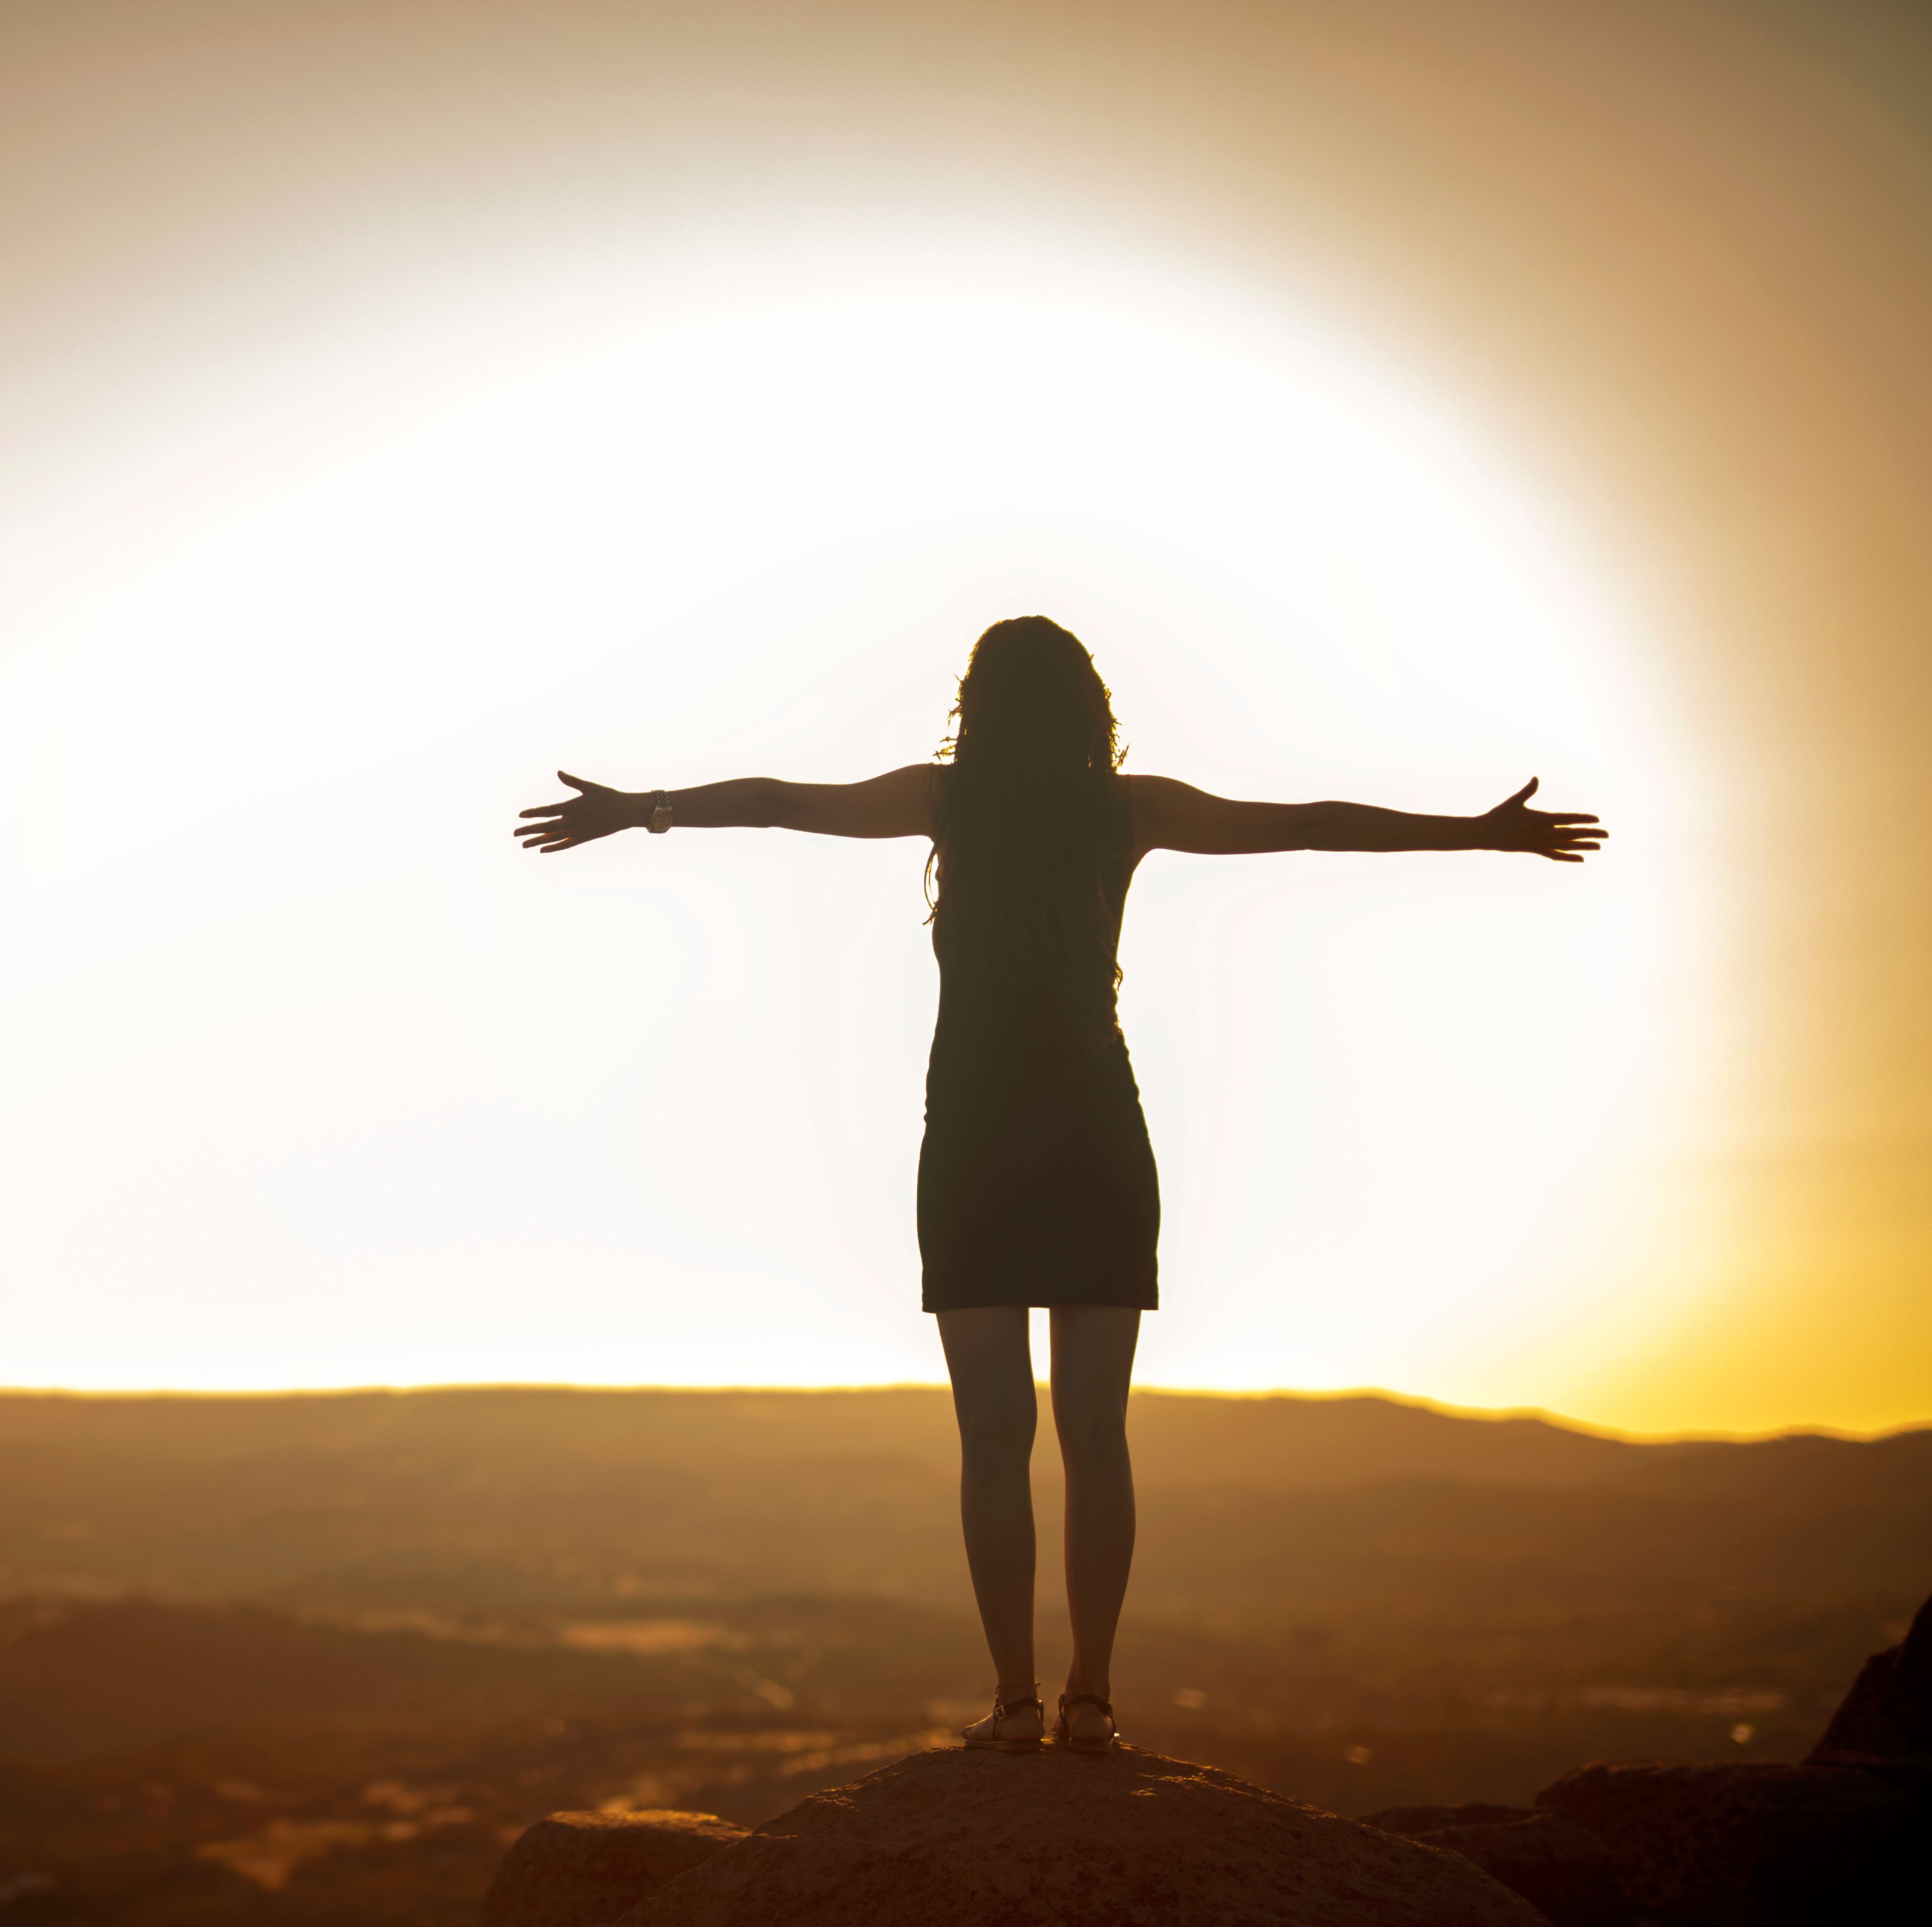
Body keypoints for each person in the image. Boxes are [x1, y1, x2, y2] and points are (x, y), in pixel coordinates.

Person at [513, 615, 1605, 1754]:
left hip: (980, 1137)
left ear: (976, 706)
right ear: (1091, 708)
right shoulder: (1126, 812)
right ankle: (1091, 1702)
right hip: (1091, 1128)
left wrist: (645, 807)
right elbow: (1311, 827)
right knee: (1096, 1431)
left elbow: (784, 798)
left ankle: (1017, 1702)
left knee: (994, 1433)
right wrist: (1479, 834)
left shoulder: (947, 800)